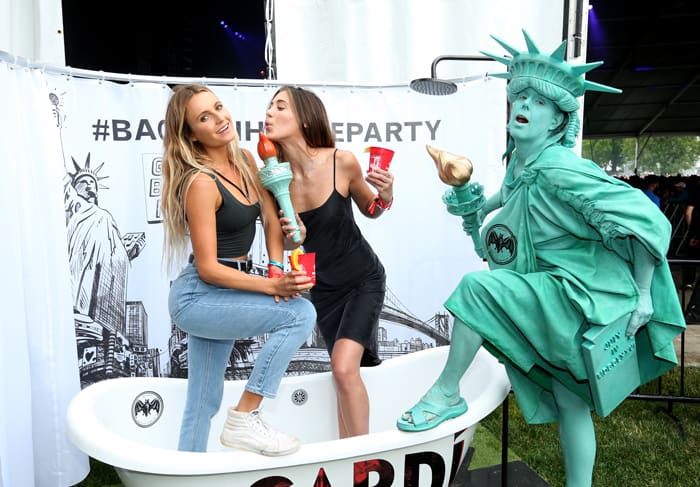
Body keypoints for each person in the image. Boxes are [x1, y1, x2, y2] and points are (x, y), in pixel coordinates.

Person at [396, 31, 685, 487]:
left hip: (574, 294)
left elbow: (646, 221)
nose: (524, 105)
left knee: (477, 289)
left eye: (538, 101)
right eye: (519, 96)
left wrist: (646, 294)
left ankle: (448, 392)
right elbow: (505, 198)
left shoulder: (560, 166)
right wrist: (475, 208)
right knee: (570, 401)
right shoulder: (520, 162)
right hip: (543, 288)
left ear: (557, 121)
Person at [161, 84, 317, 455]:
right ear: (191, 135)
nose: (218, 119)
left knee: (203, 400)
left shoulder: (246, 160)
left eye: (218, 108)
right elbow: (209, 268)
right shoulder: (200, 182)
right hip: (200, 296)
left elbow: (269, 219)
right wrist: (272, 286)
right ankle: (245, 416)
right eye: (204, 117)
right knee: (300, 315)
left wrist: (280, 264)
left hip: (232, 289)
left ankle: (187, 477)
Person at [264, 85, 394, 438]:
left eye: (280, 107)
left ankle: (365, 462)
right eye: (269, 107)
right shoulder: (274, 181)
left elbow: (372, 210)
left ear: (304, 119)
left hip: (362, 280)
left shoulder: (342, 161)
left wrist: (386, 194)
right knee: (342, 375)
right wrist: (296, 237)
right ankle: (346, 458)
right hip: (323, 291)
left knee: (342, 367)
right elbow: (290, 245)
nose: (269, 114)